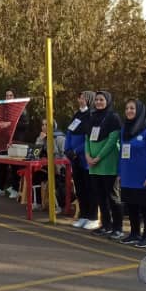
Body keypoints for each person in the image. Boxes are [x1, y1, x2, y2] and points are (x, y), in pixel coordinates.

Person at [117, 99, 146, 248]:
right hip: (128, 175)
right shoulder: (125, 129)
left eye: (132, 108)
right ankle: (134, 233)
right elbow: (121, 152)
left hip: (143, 177)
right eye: (127, 108)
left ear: (140, 110)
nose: (129, 111)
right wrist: (120, 172)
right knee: (131, 206)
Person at [85, 90, 124, 240]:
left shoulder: (113, 117)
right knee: (100, 197)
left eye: (102, 99)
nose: (98, 102)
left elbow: (113, 140)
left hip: (108, 164)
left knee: (113, 197)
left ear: (108, 101)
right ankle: (106, 225)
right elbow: (87, 138)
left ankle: (118, 227)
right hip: (94, 165)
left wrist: (99, 157)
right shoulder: (92, 117)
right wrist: (88, 155)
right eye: (97, 100)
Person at [64, 90, 100, 229]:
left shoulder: (92, 116)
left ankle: (93, 217)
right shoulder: (77, 115)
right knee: (79, 188)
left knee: (90, 187)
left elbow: (89, 139)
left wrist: (76, 150)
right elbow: (69, 132)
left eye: (84, 98)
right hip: (75, 159)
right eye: (79, 97)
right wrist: (67, 149)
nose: (81, 100)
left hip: (85, 158)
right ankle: (83, 215)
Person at [0, 88, 32, 197]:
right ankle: (0, 187)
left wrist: (10, 124)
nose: (8, 97)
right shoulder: (3, 109)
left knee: (15, 166)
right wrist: (0, 124)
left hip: (16, 141)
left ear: (14, 97)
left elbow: (25, 124)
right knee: (1, 163)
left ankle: (16, 189)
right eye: (7, 95)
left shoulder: (21, 108)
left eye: (10, 95)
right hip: (5, 140)